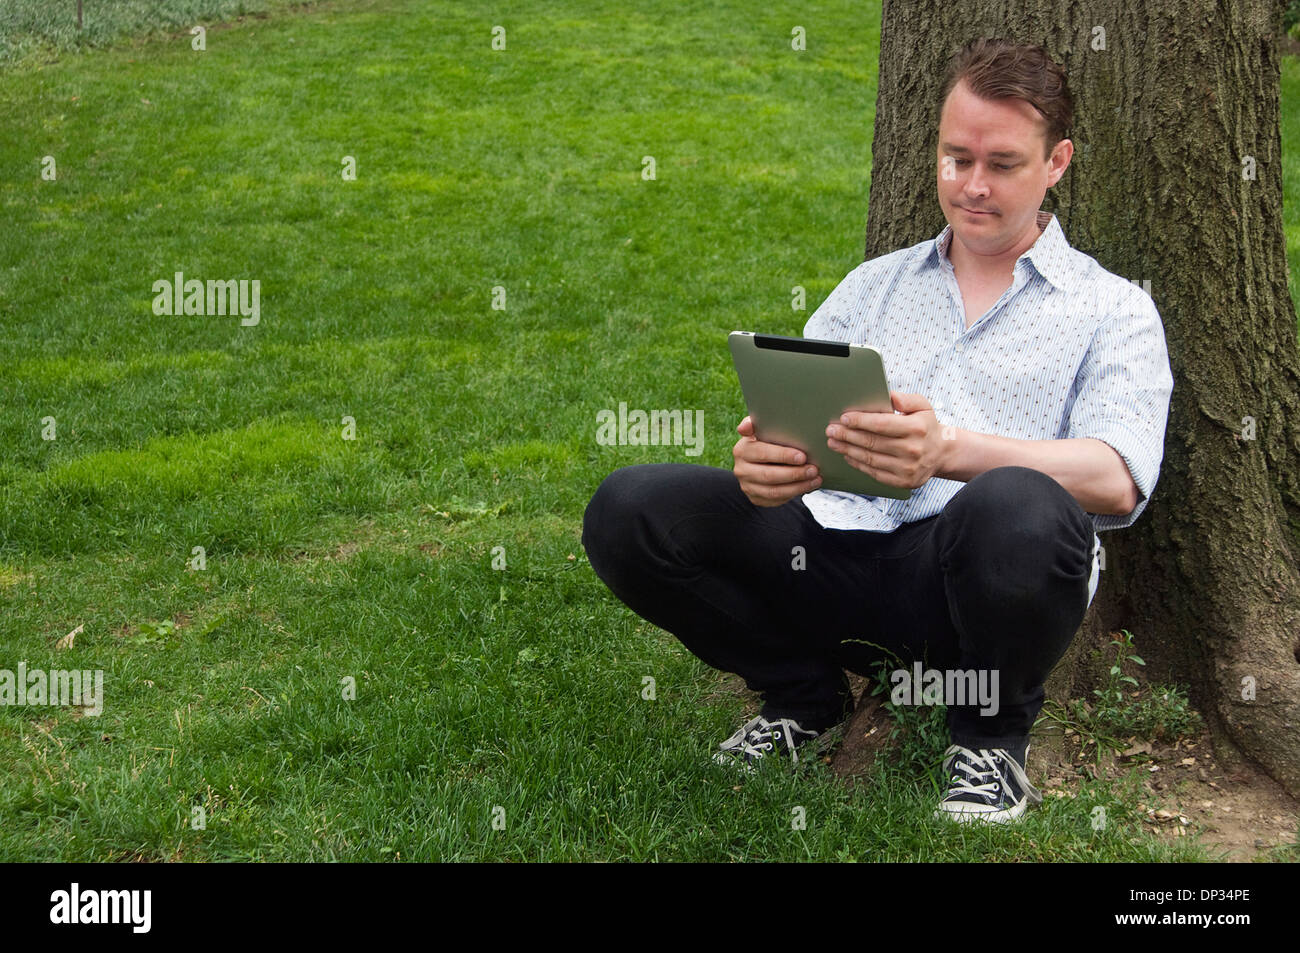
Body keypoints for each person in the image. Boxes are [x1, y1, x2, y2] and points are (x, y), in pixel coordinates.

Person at [581, 37, 1173, 824]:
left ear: (1056, 162)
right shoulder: (874, 286)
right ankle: (803, 696)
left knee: (1018, 506)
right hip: (823, 557)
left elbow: (1117, 476)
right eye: (956, 157)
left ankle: (991, 745)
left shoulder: (1112, 308)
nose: (972, 186)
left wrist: (952, 451)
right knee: (629, 507)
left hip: (959, 588)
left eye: (1002, 164)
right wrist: (765, 465)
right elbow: (792, 427)